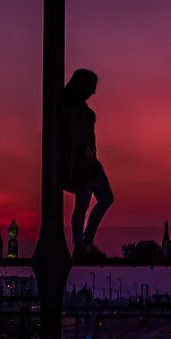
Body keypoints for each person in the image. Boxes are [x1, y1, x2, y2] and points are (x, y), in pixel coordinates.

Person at [59, 69, 113, 259]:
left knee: (88, 202)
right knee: (89, 201)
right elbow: (77, 136)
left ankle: (83, 243)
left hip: (85, 158)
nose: (93, 92)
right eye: (91, 87)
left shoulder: (73, 108)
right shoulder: (74, 110)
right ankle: (82, 243)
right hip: (83, 158)